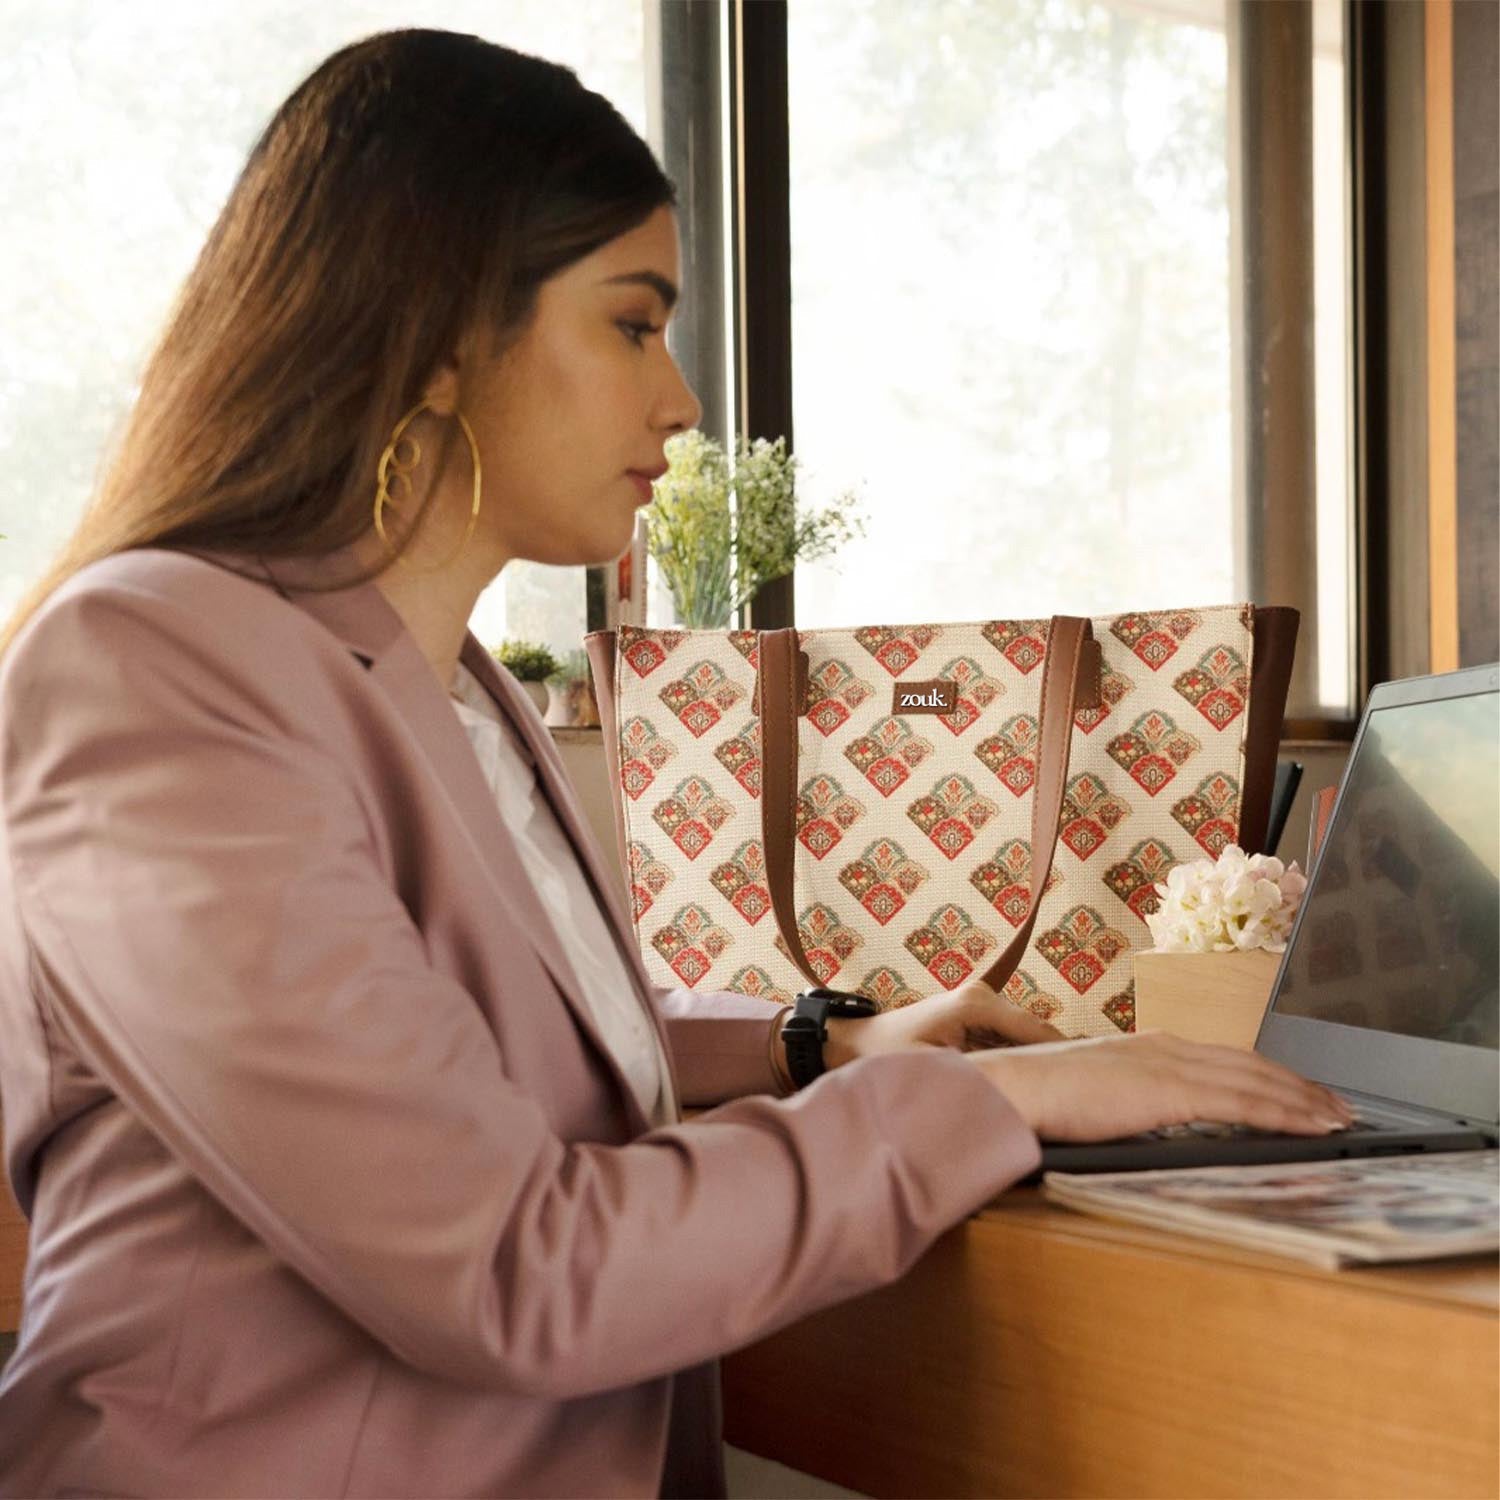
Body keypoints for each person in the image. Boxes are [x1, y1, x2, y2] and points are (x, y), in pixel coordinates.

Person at [0, 28, 1354, 1498]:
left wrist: (825, 1043)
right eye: (634, 325)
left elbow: (489, 1028)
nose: (685, 403)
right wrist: (997, 1105)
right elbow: (515, 1264)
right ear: (443, 332)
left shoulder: (448, 685)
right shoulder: (153, 667)